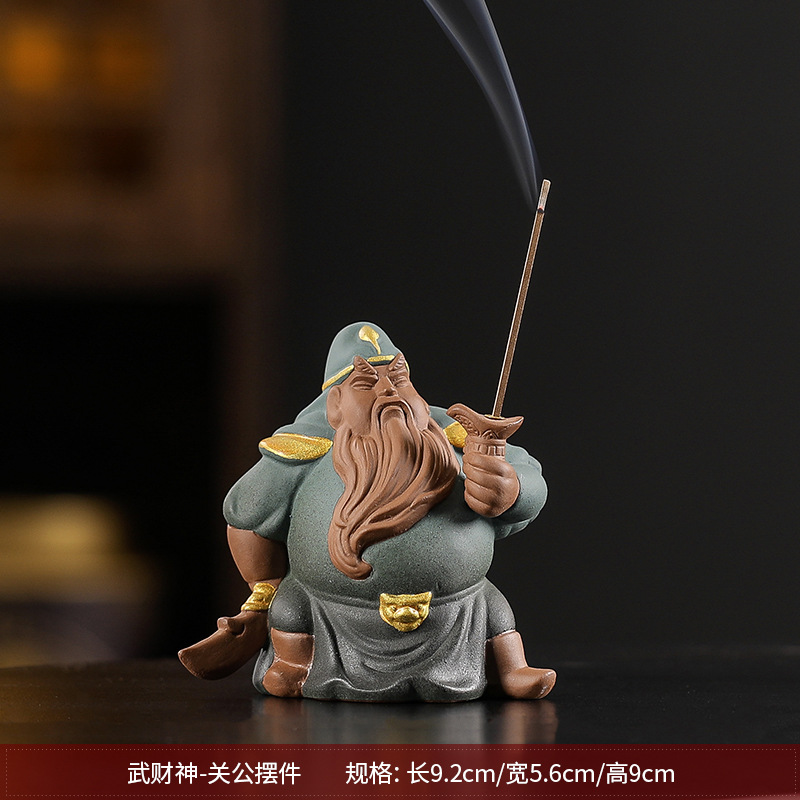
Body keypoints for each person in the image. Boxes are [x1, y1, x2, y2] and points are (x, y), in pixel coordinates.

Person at [180, 322, 555, 702]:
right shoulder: (302, 454)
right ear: (335, 403)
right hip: (330, 612)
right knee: (290, 610)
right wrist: (264, 587)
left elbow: (531, 478)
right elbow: (245, 515)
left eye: (399, 379)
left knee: (495, 610)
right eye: (366, 384)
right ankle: (294, 663)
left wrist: (510, 489)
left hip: (459, 607)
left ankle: (510, 667)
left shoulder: (456, 440)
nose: (388, 391)